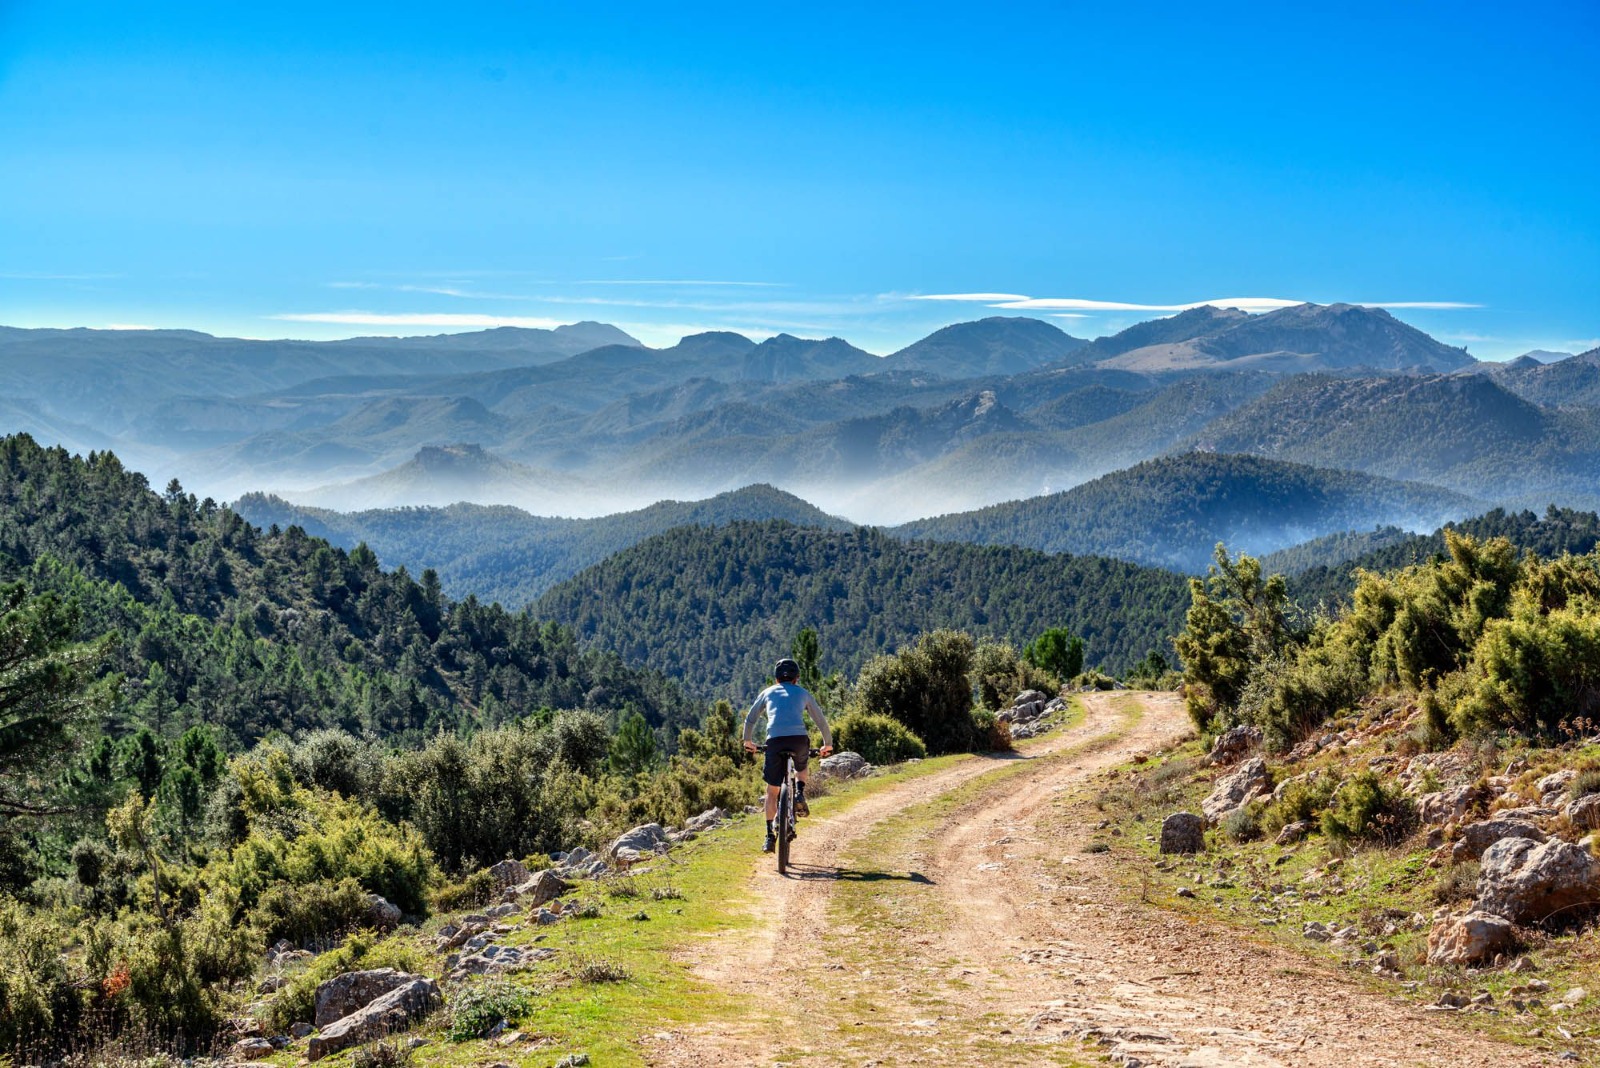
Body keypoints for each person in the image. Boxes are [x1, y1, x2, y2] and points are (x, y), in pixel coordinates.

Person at [743, 657, 834, 853]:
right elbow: (820, 720)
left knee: (772, 791)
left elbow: (751, 718)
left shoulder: (767, 692)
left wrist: (747, 741)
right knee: (801, 766)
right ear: (796, 679)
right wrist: (827, 744)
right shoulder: (803, 693)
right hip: (799, 739)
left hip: (774, 741)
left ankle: (769, 836)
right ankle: (800, 791)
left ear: (776, 679)